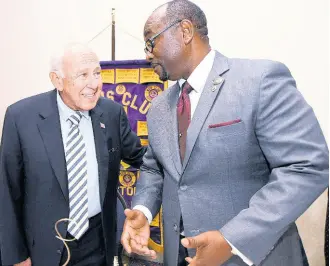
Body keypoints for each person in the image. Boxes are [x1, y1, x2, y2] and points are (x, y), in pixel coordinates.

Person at [120, 1, 329, 265]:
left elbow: (307, 167)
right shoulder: (160, 106)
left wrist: (232, 240)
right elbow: (154, 168)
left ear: (185, 31)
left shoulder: (258, 81)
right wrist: (143, 210)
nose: (148, 54)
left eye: (151, 42)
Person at [0, 43, 146, 266]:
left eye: (97, 73)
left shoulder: (111, 113)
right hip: (42, 248)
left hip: (97, 243)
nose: (94, 84)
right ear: (57, 80)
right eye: (82, 75)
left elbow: (145, 160)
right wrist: (17, 257)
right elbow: (7, 193)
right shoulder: (21, 118)